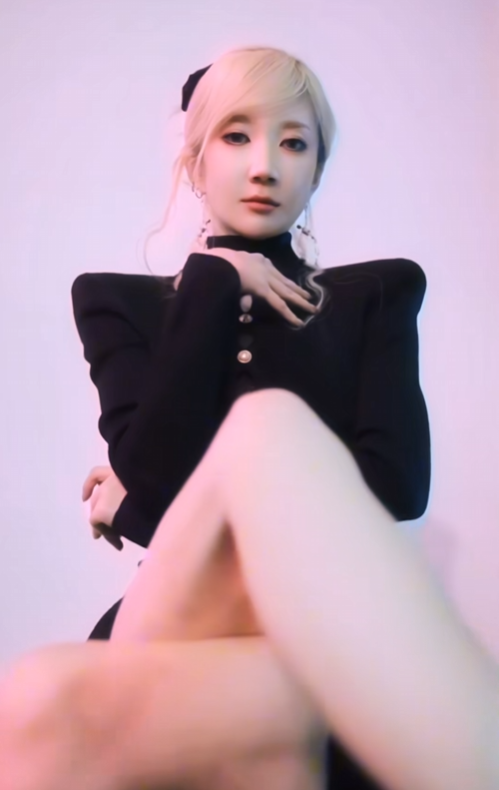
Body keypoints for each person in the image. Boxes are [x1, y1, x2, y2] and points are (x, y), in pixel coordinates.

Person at [1, 45, 499, 790]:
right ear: (195, 161)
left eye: (293, 143)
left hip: (313, 631)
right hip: (181, 619)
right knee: (262, 426)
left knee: (40, 699)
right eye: (236, 136)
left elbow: (397, 488)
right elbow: (158, 486)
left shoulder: (376, 296)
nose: (265, 166)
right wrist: (214, 278)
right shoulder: (117, 303)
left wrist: (133, 504)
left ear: (317, 169)